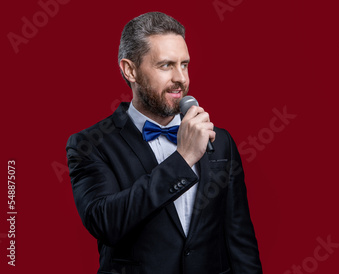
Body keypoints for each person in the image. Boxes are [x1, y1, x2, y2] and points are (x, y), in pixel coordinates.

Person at [66, 12, 262, 274]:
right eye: (166, 65)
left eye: (184, 64)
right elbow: (105, 222)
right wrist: (182, 160)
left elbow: (240, 241)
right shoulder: (90, 144)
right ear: (130, 70)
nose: (180, 78)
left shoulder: (220, 141)